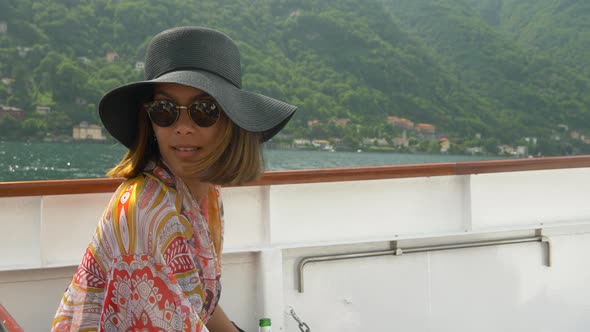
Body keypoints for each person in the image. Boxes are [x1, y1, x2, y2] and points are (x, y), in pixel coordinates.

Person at [52, 26, 296, 331]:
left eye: (204, 110)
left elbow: (193, 299)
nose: (182, 127)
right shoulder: (147, 212)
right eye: (165, 110)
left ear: (232, 122)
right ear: (150, 121)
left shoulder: (204, 195)